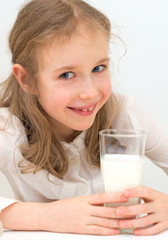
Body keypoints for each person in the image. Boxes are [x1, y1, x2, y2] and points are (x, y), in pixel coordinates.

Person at [0, 0, 168, 236]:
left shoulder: (124, 114)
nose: (89, 92)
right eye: (67, 74)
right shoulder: (8, 131)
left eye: (99, 68)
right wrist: (46, 215)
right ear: (27, 80)